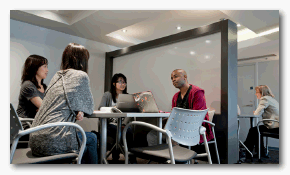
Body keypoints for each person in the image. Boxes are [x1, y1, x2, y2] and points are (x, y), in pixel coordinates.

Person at [29, 43, 98, 164]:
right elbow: (90, 108)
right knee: (92, 138)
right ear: (82, 61)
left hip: (34, 139)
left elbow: (64, 102)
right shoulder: (81, 76)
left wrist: (78, 110)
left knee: (84, 145)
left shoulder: (57, 75)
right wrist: (81, 109)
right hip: (53, 141)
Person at [147, 69, 214, 148]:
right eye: (171, 78)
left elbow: (197, 116)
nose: (173, 80)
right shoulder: (176, 97)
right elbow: (174, 114)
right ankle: (164, 158)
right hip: (178, 127)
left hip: (193, 129)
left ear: (185, 77)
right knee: (152, 134)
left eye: (175, 77)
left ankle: (177, 158)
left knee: (171, 135)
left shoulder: (197, 92)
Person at [98, 73, 134, 163]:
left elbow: (131, 113)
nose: (123, 84)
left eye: (124, 82)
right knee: (116, 130)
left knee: (128, 131)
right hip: (110, 124)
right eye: (120, 82)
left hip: (123, 124)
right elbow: (100, 108)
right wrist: (113, 109)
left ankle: (131, 159)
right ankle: (115, 155)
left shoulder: (128, 96)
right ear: (114, 83)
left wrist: (124, 124)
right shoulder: (107, 95)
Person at [244, 85, 279, 159]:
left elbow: (257, 114)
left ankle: (247, 151)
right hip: (278, 126)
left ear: (262, 92)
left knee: (253, 130)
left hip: (274, 127)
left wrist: (256, 112)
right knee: (256, 130)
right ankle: (260, 152)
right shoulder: (272, 99)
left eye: (257, 92)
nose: (255, 94)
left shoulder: (264, 99)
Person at [17, 55, 48, 120]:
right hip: (27, 124)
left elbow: (48, 107)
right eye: (44, 66)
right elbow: (45, 107)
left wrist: (43, 109)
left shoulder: (45, 87)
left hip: (37, 123)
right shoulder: (28, 85)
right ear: (35, 68)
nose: (47, 70)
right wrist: (43, 109)